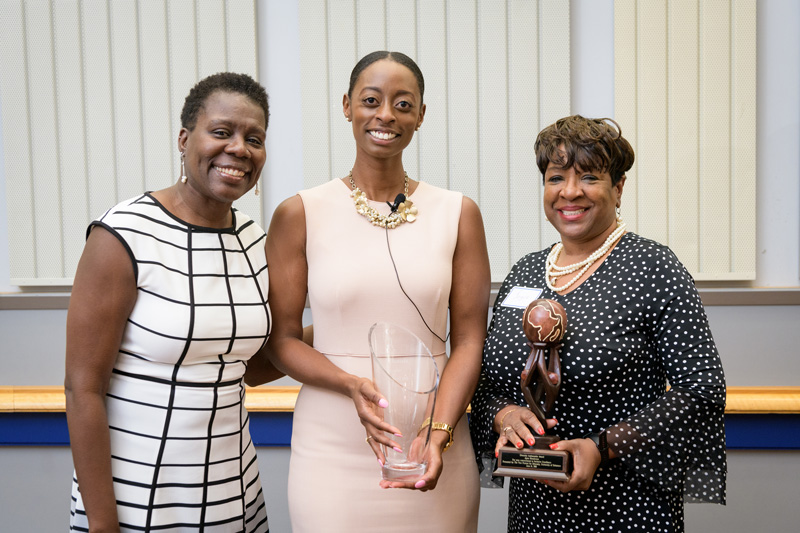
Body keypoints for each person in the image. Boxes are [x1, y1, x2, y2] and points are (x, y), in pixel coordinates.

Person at [266, 51, 490, 532]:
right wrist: (351, 385)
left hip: (432, 439)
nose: (386, 114)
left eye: (403, 104)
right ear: (347, 106)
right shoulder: (299, 212)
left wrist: (438, 433)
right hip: (330, 442)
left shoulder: (458, 212)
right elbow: (281, 341)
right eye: (371, 100)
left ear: (421, 116)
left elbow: (470, 340)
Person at [470, 115, 727, 532]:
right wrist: (503, 416)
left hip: (627, 505)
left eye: (588, 176)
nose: (569, 192)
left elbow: (700, 390)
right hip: (535, 510)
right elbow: (485, 386)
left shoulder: (653, 267)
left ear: (618, 188)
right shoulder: (524, 273)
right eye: (556, 178)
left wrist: (600, 447)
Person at [65, 72, 282, 533]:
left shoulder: (253, 239)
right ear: (185, 139)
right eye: (221, 132)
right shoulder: (123, 233)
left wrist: (341, 327)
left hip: (232, 488)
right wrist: (104, 525)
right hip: (138, 493)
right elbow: (82, 388)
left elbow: (238, 365)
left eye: (254, 138)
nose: (239, 148)